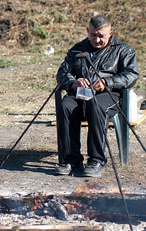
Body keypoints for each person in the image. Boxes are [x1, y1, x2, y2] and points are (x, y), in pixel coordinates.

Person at [55, 15, 139, 177]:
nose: (97, 40)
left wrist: (107, 82)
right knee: (65, 106)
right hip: (80, 94)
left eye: (102, 36)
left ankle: (97, 160)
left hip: (108, 95)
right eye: (93, 35)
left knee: (96, 105)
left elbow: (131, 75)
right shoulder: (78, 49)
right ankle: (70, 159)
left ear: (110, 33)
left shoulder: (123, 50)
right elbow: (62, 72)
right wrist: (73, 82)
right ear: (88, 31)